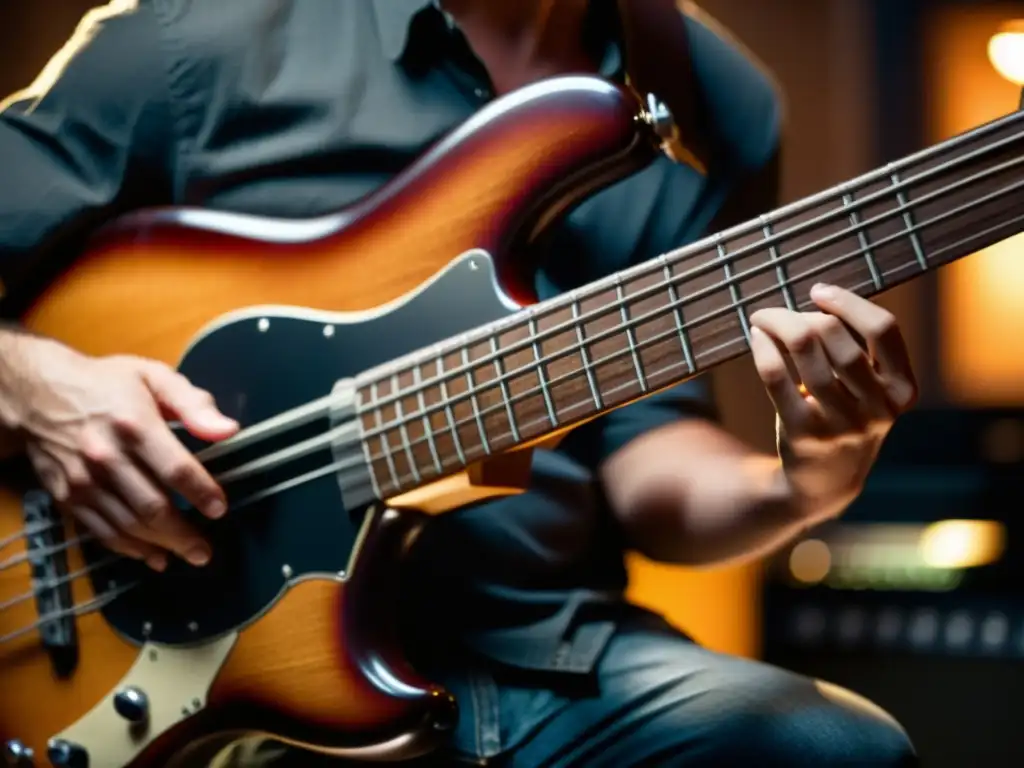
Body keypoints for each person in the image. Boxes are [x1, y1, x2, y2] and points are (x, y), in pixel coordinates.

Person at [0, 1, 920, 765]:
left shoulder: (716, 102)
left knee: (838, 750)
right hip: (214, 680)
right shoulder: (201, 33)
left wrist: (803, 482)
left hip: (544, 662)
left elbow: (648, 452)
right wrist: (43, 389)